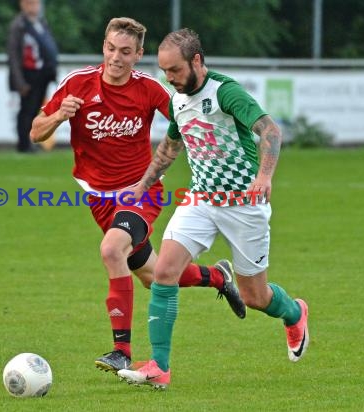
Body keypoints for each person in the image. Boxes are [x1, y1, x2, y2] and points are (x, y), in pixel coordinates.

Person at [30, 18, 246, 375]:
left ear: (139, 55)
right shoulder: (78, 84)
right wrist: (57, 115)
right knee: (154, 274)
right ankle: (218, 277)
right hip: (99, 200)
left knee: (112, 250)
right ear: (104, 47)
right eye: (111, 49)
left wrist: (219, 142)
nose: (116, 58)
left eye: (126, 52)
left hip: (139, 192)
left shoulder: (149, 89)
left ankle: (121, 351)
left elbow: (187, 116)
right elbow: (36, 132)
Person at [117, 28, 310, 389]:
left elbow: (270, 131)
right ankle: (159, 367)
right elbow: (170, 148)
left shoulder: (226, 92)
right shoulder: (177, 100)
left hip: (244, 206)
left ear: (196, 61)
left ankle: (295, 312)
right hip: (201, 200)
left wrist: (264, 177)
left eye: (174, 70)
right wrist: (142, 186)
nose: (169, 79)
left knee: (256, 297)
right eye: (164, 72)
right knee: (164, 272)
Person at [7, 0, 58, 153]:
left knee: (36, 109)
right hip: (27, 74)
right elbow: (13, 55)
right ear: (22, 5)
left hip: (42, 74)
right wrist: (19, 81)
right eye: (29, 3)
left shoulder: (41, 23)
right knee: (26, 110)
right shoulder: (19, 26)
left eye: (35, 3)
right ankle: (23, 144)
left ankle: (31, 141)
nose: (33, 7)